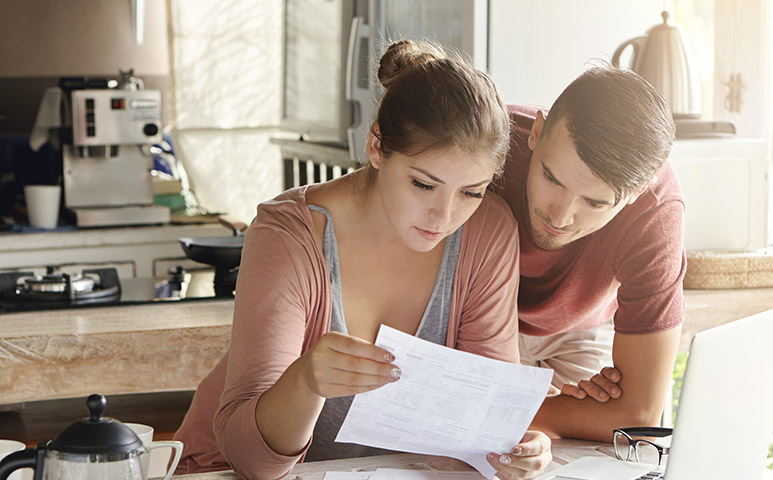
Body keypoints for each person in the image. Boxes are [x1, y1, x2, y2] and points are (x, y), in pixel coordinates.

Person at [172, 40, 552, 479]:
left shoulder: (487, 230)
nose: (445, 216)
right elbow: (251, 460)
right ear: (376, 147)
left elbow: (481, 420)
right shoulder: (288, 236)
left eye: (471, 192)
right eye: (423, 185)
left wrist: (514, 446)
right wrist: (306, 381)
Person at [495, 67, 686, 441]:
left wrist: (512, 408)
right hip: (473, 323)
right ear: (536, 132)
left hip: (577, 330)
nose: (559, 216)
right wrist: (531, 407)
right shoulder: (487, 142)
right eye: (551, 178)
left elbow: (638, 415)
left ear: (636, 194)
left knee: (598, 459)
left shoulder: (656, 210)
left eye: (594, 202)